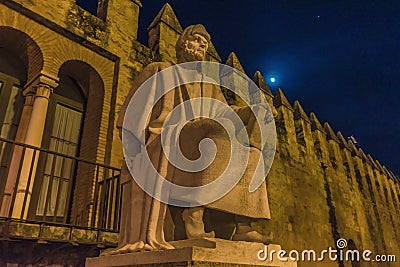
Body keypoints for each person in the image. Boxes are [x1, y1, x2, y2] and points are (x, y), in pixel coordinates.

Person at [113, 24, 275, 254]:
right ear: (182, 43)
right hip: (168, 140)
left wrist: (253, 110)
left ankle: (243, 224)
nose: (202, 45)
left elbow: (225, 113)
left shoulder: (208, 85)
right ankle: (193, 213)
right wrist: (135, 155)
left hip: (200, 139)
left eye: (205, 43)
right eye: (197, 39)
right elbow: (130, 116)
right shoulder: (159, 70)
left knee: (251, 154)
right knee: (213, 131)